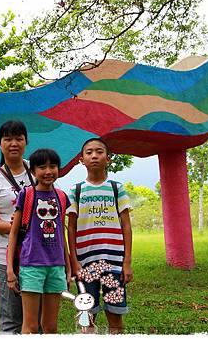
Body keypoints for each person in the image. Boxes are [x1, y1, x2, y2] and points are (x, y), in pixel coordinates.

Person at [67, 137, 133, 334]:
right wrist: (74, 261)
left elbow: (127, 226)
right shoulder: (76, 190)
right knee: (87, 317)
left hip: (114, 263)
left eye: (99, 152)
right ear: (82, 160)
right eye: (89, 152)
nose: (94, 156)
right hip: (86, 265)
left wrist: (126, 262)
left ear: (108, 158)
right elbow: (70, 228)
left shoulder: (116, 188)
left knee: (115, 315)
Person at [6, 148, 71, 334]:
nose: (48, 171)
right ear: (33, 171)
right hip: (31, 265)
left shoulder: (61, 197)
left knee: (51, 327)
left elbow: (61, 234)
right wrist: (10, 270)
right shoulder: (27, 195)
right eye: (42, 167)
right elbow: (13, 233)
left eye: (53, 166)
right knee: (30, 327)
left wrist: (67, 267)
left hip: (56, 267)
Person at [0, 120, 35, 333]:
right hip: (7, 257)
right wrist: (14, 227)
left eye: (19, 138)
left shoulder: (38, 170)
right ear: (0, 144)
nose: (14, 143)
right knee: (12, 316)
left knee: (36, 314)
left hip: (39, 255)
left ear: (26, 142)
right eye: (8, 139)